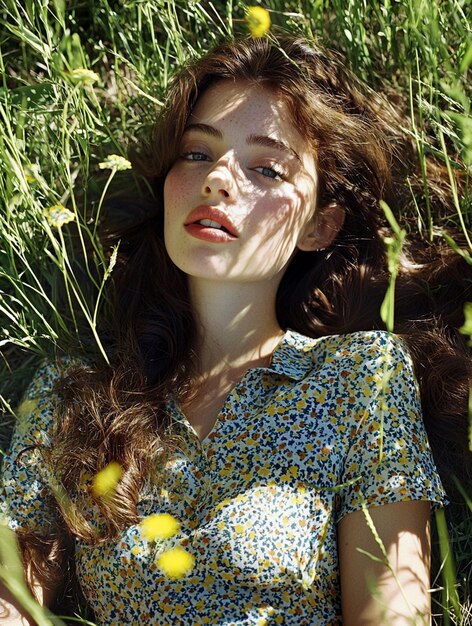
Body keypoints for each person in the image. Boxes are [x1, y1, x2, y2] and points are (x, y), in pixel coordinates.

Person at [0, 35, 471, 626]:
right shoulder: (70, 394)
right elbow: (11, 600)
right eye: (197, 154)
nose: (219, 178)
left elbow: (391, 614)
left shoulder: (362, 379)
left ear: (320, 226)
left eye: (266, 167)